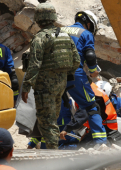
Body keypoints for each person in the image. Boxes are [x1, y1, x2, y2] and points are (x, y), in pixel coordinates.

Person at [21, 2, 80, 149]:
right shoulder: (65, 36)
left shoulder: (40, 38)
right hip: (60, 84)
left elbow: (34, 65)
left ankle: (53, 155)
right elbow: (76, 61)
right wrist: (65, 75)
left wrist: (26, 86)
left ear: (39, 19)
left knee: (46, 122)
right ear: (53, 17)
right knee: (52, 119)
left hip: (44, 86)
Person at [61, 11, 107, 144]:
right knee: (91, 106)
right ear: (88, 23)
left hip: (53, 74)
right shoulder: (85, 33)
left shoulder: (58, 30)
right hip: (73, 74)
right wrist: (93, 71)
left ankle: (52, 143)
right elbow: (90, 56)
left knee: (59, 107)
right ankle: (100, 142)